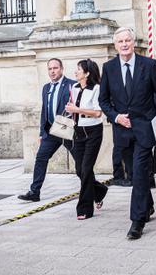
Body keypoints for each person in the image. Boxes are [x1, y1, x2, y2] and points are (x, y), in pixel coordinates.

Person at [99, 27, 156, 240]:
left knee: (139, 174)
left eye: (128, 40)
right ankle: (147, 206)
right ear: (115, 45)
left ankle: (136, 221)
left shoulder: (148, 65)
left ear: (133, 42)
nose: (124, 44)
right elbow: (103, 100)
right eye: (120, 41)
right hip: (122, 132)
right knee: (134, 173)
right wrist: (116, 117)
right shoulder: (109, 68)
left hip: (145, 130)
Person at [19, 58, 76, 202]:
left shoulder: (71, 85)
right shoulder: (46, 88)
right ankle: (34, 192)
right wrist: (41, 133)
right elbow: (44, 110)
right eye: (50, 69)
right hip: (50, 132)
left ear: (61, 69)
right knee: (40, 158)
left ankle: (97, 190)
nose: (52, 71)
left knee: (81, 163)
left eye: (55, 68)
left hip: (66, 130)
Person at [65, 59, 107, 220]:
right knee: (79, 170)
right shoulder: (74, 88)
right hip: (77, 132)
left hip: (93, 132)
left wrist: (77, 109)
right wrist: (71, 109)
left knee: (86, 169)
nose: (75, 72)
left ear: (87, 73)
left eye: (78, 70)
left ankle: (84, 208)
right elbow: (74, 109)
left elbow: (97, 113)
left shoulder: (96, 88)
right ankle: (99, 191)